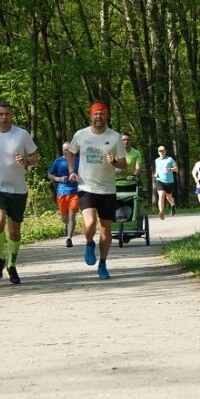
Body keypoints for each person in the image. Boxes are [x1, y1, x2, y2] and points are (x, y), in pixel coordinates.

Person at [0, 100, 39, 285]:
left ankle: (11, 265)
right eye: (1, 114)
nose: (4, 117)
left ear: (12, 115)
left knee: (14, 231)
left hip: (17, 189)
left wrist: (26, 161)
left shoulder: (22, 135)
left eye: (7, 114)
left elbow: (35, 157)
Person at [66, 101, 126, 280]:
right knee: (90, 223)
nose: (98, 117)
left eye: (102, 114)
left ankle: (103, 263)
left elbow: (124, 164)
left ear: (106, 116)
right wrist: (71, 171)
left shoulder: (115, 137)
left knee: (106, 228)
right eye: (95, 114)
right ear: (90, 116)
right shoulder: (81, 134)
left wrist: (114, 161)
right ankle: (89, 243)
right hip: (86, 187)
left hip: (107, 189)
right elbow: (70, 152)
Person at [47, 142, 79, 248]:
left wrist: (78, 178)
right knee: (65, 218)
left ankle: (69, 238)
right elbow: (49, 174)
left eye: (68, 149)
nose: (66, 151)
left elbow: (85, 174)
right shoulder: (58, 161)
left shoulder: (78, 161)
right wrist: (58, 179)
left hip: (75, 191)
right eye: (64, 149)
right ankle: (67, 225)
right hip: (62, 191)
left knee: (72, 214)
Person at [153, 145, 178, 220]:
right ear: (158, 152)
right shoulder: (156, 160)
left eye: (163, 151)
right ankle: (161, 212)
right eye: (160, 151)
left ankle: (173, 204)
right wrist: (156, 173)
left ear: (165, 151)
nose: (161, 152)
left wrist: (170, 169)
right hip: (159, 180)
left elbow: (176, 169)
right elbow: (157, 168)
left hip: (169, 181)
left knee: (168, 197)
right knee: (161, 195)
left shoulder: (170, 159)